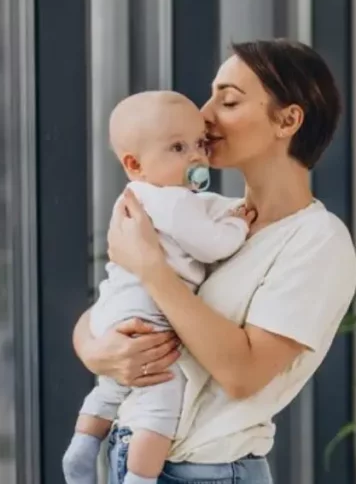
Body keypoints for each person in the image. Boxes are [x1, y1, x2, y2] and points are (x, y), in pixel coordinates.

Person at [71, 39, 356, 484]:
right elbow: (113, 304)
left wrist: (152, 268)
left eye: (227, 100)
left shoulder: (318, 241)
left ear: (288, 120)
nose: (204, 115)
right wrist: (99, 352)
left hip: (209, 473)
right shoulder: (207, 218)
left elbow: (242, 374)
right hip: (129, 453)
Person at [62, 91, 253, 484]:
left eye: (199, 143)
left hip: (113, 307)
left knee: (115, 384)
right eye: (178, 147)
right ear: (134, 164)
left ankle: (84, 441)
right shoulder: (174, 202)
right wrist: (238, 223)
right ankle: (141, 478)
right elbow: (213, 243)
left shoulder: (142, 196)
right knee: (164, 395)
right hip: (147, 309)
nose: (196, 156)